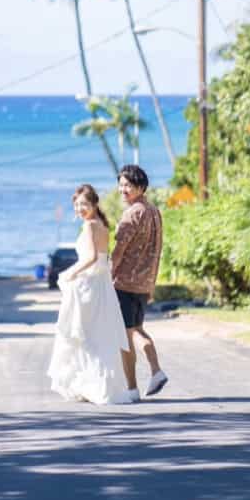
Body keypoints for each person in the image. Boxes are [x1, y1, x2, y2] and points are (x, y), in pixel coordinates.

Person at [47, 184, 133, 405]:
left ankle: (93, 385)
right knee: (98, 335)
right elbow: (104, 258)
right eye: (76, 205)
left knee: (85, 335)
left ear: (94, 204)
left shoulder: (89, 226)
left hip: (89, 285)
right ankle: (98, 384)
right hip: (102, 284)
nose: (80, 208)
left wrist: (69, 273)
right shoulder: (102, 226)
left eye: (84, 204)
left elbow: (92, 257)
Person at [111, 164, 167, 401]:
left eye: (129, 185)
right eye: (121, 184)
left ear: (141, 187)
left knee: (125, 336)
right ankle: (156, 371)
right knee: (137, 330)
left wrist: (107, 274)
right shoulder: (154, 211)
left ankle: (132, 389)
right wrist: (151, 283)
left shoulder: (133, 212)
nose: (123, 189)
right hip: (144, 283)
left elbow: (119, 249)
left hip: (125, 282)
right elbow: (158, 248)